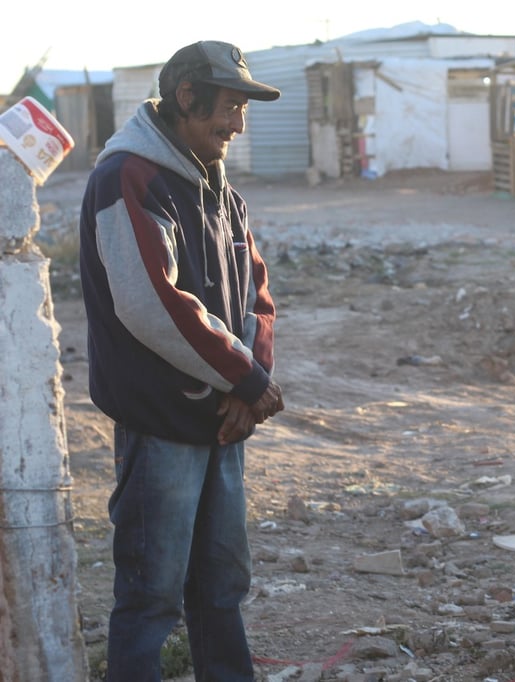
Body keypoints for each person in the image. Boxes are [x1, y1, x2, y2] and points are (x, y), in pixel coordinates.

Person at [78, 40, 285, 681]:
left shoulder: (220, 189)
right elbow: (152, 303)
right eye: (228, 107)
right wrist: (245, 378)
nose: (238, 124)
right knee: (150, 598)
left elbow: (257, 294)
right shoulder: (128, 177)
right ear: (186, 97)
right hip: (162, 423)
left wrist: (250, 386)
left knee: (222, 587)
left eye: (243, 109)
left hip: (223, 423)